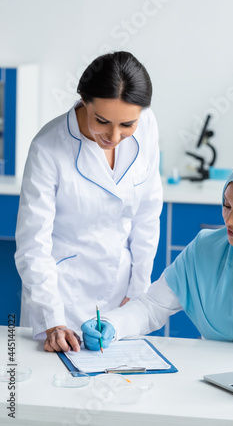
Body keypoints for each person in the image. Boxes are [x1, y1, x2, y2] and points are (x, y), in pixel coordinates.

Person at [81, 155, 233, 350]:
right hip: (209, 375)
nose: (229, 221)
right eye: (226, 206)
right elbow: (152, 306)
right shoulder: (207, 248)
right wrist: (112, 325)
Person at [15, 51, 163, 352]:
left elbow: (147, 215)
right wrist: (53, 320)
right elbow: (33, 244)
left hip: (121, 293)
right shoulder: (48, 148)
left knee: (122, 387)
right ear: (83, 99)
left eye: (127, 125)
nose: (114, 135)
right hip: (61, 296)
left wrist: (137, 294)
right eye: (103, 121)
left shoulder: (146, 126)